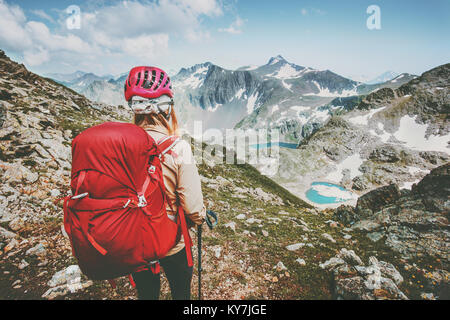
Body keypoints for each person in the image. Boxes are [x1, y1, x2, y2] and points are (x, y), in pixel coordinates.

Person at [124, 66, 206, 300]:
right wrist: (202, 216)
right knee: (181, 293)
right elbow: (191, 206)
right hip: (171, 242)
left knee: (147, 295)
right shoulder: (179, 148)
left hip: (135, 241)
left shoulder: (120, 146)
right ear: (166, 108)